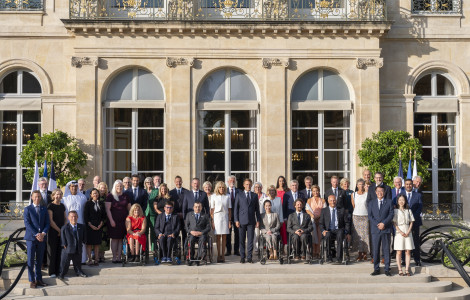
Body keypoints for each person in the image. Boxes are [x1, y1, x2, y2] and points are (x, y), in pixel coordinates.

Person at [24, 191, 50, 288]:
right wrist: (36, 234)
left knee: (39, 260)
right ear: (32, 197)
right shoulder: (28, 209)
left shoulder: (44, 209)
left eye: (39, 197)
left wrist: (43, 233)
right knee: (30, 260)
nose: (37, 198)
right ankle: (32, 280)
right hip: (31, 238)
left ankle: (39, 279)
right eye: (35, 197)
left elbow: (47, 223)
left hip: (41, 238)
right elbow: (27, 224)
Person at [234, 178, 261, 263]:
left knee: (250, 240)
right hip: (241, 221)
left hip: (251, 221)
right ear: (243, 185)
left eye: (249, 184)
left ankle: (249, 257)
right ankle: (242, 257)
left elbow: (257, 209)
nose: (248, 186)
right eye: (246, 184)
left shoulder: (254, 195)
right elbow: (236, 209)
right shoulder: (239, 195)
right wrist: (236, 220)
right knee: (241, 240)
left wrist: (258, 220)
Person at [369, 186, 394, 276]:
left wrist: (384, 223)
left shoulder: (389, 202)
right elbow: (370, 216)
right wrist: (378, 224)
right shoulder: (371, 203)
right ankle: (376, 269)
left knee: (386, 250)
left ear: (384, 192)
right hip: (375, 230)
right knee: (375, 250)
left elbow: (391, 214)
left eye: (382, 191)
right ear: (375, 192)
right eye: (378, 191)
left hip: (386, 229)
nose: (380, 192)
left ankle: (387, 269)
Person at [105, 180, 131, 263]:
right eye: (117, 186)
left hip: (124, 221)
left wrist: (129, 219)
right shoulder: (110, 196)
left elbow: (129, 209)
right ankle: (114, 257)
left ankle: (119, 257)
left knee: (120, 239)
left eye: (120, 186)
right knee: (115, 239)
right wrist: (111, 220)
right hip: (114, 220)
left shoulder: (125, 196)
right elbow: (107, 210)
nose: (119, 188)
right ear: (114, 187)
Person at [62, 180, 88, 264]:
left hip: (80, 222)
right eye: (72, 186)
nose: (74, 188)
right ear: (69, 187)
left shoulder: (83, 197)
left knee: (80, 241)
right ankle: (70, 261)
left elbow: (84, 210)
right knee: (70, 240)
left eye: (76, 186)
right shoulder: (65, 198)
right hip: (69, 224)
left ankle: (82, 259)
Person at [319, 195, 350, 263]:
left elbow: (347, 223)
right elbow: (321, 223)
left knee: (340, 234)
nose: (333, 202)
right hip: (328, 230)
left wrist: (347, 232)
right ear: (328, 201)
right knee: (327, 235)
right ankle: (329, 257)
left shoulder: (342, 210)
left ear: (336, 201)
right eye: (331, 200)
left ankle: (339, 258)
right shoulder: (324, 211)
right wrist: (323, 231)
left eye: (334, 200)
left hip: (338, 229)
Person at [58, 211, 87, 280]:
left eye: (75, 216)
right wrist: (65, 246)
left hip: (78, 248)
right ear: (68, 218)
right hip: (68, 249)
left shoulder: (82, 226)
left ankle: (79, 272)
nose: (73, 218)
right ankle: (62, 274)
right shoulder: (64, 228)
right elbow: (63, 239)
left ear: (77, 217)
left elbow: (84, 237)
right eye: (72, 216)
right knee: (65, 263)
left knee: (77, 263)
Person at [394, 195, 415, 276]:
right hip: (399, 231)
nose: (401, 201)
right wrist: (400, 231)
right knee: (399, 251)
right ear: (398, 201)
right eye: (400, 200)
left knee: (408, 251)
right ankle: (400, 269)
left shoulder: (408, 210)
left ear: (405, 201)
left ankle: (407, 269)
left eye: (403, 200)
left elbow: (411, 221)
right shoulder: (395, 211)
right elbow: (394, 222)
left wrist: (408, 231)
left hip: (407, 231)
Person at [210, 181, 231, 262]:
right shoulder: (213, 196)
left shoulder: (227, 196)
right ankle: (218, 255)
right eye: (220, 187)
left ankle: (223, 255)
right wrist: (212, 221)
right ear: (217, 188)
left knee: (224, 237)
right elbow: (212, 210)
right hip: (217, 217)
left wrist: (229, 221)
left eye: (223, 187)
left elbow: (229, 209)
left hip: (225, 216)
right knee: (218, 237)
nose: (221, 189)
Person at [47, 188, 66, 278]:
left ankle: (59, 270)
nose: (58, 196)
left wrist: (63, 230)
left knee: (60, 252)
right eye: (57, 194)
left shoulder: (62, 206)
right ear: (53, 195)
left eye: (60, 194)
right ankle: (52, 272)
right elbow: (51, 221)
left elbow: (65, 218)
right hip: (53, 232)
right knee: (52, 251)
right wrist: (59, 230)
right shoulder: (50, 206)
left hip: (61, 231)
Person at [84, 188, 105, 266]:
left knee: (97, 243)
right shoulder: (88, 203)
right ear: (91, 195)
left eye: (96, 193)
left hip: (99, 226)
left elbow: (104, 215)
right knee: (89, 243)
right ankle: (89, 259)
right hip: (90, 226)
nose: (95, 195)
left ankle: (96, 260)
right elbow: (86, 216)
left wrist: (101, 224)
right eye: (94, 193)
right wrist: (91, 225)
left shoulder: (101, 203)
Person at [404, 178, 423, 266]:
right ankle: (404, 260)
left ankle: (417, 259)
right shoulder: (400, 195)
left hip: (415, 222)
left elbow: (419, 208)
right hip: (404, 223)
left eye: (410, 184)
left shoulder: (418, 195)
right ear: (404, 185)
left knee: (415, 241)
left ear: (412, 185)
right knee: (405, 240)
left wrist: (412, 218)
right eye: (407, 184)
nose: (408, 186)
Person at [351, 178, 370, 261]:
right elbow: (353, 205)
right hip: (356, 217)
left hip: (365, 216)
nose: (361, 186)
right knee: (357, 236)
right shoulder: (353, 194)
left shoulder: (367, 194)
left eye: (363, 184)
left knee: (365, 235)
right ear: (357, 185)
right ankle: (359, 254)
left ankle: (365, 253)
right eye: (359, 184)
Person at [305, 185, 325, 258]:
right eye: (314, 191)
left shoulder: (322, 200)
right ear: (312, 192)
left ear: (319, 191)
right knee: (313, 236)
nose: (315, 192)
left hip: (320, 220)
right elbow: (307, 210)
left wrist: (318, 217)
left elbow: (324, 210)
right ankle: (313, 252)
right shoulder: (309, 200)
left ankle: (318, 252)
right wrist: (312, 216)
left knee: (319, 236)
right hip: (312, 220)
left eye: (317, 191)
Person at [226, 175, 240, 256]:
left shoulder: (239, 191)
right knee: (228, 233)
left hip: (237, 216)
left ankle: (236, 250)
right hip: (227, 216)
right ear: (228, 182)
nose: (232, 182)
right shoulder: (224, 191)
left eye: (233, 180)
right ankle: (228, 250)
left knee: (237, 234)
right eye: (230, 180)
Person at [97, 182, 109, 263]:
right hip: (97, 221)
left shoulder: (108, 197)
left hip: (106, 221)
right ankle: (97, 256)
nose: (102, 189)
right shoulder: (95, 197)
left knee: (104, 239)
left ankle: (102, 256)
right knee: (98, 239)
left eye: (104, 188)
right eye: (101, 188)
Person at [276, 176, 289, 246]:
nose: (281, 182)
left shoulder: (287, 190)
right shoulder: (275, 190)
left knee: (284, 230)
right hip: (277, 212)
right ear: (278, 182)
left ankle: (285, 246)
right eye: (280, 181)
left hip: (285, 211)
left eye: (283, 181)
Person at [253, 181, 266, 253]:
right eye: (256, 187)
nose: (257, 188)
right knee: (256, 234)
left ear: (261, 188)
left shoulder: (265, 196)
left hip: (264, 217)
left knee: (263, 233)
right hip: (255, 217)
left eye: (259, 187)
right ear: (254, 188)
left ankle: (263, 247)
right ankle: (256, 248)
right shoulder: (252, 195)